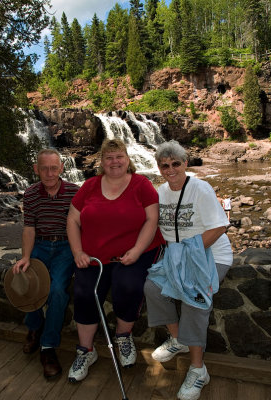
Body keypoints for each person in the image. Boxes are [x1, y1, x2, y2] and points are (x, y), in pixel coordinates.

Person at [66, 138, 164, 382]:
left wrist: (138, 250)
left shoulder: (142, 184)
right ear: (101, 162)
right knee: (85, 292)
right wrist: (77, 252)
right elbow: (72, 220)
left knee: (128, 285)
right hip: (94, 255)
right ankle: (86, 351)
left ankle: (123, 337)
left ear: (128, 159)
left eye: (119, 156)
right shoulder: (89, 186)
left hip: (134, 251)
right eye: (109, 157)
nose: (114, 161)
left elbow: (152, 220)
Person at [144, 140, 233, 400]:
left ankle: (198, 370)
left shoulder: (200, 189)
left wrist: (187, 254)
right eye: (164, 165)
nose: (170, 169)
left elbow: (219, 227)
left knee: (195, 296)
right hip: (178, 257)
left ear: (185, 163)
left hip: (210, 254)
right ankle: (179, 339)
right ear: (159, 168)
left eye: (175, 164)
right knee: (153, 288)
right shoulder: (160, 192)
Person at [13, 148, 79, 379]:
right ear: (36, 169)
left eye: (54, 168)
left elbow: (83, 225)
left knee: (57, 290)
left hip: (65, 248)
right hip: (40, 244)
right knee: (26, 280)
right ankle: (34, 325)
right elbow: (29, 228)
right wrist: (25, 257)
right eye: (44, 168)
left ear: (61, 168)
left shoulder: (74, 192)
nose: (49, 173)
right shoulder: (30, 193)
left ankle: (48, 347)